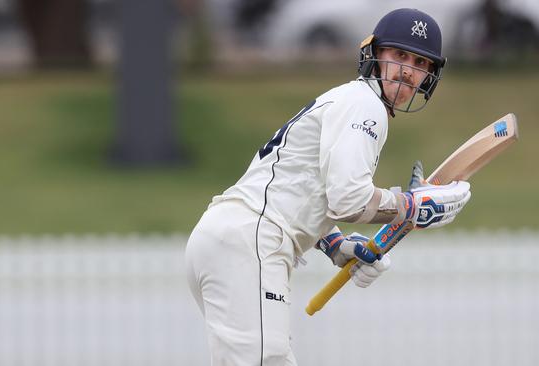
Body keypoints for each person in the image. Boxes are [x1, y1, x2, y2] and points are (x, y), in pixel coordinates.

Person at [185, 8, 472, 366]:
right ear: (376, 55)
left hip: (229, 239)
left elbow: (302, 183)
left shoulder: (347, 101)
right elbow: (348, 200)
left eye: (420, 63)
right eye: (400, 56)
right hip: (250, 241)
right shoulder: (365, 105)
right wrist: (413, 207)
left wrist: (335, 244)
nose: (409, 71)